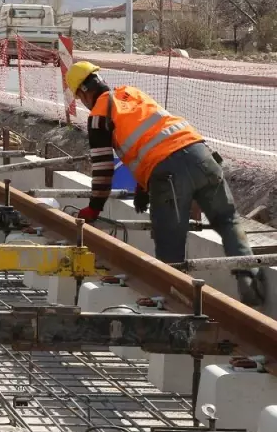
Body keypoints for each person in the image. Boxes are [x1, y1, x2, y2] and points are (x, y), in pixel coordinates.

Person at [66, 61, 267, 306]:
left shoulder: (98, 114)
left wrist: (94, 207)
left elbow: (103, 168)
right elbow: (153, 137)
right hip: (202, 156)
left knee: (170, 238)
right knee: (227, 219)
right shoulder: (132, 94)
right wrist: (142, 185)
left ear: (83, 92)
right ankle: (249, 280)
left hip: (169, 173)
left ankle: (175, 302)